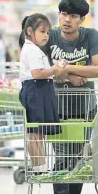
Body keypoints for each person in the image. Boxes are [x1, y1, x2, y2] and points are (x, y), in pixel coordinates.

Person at [41, 0, 98, 194]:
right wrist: (72, 74)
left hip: (84, 107)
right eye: (63, 14)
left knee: (77, 156)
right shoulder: (50, 37)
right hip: (56, 107)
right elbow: (42, 68)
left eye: (73, 16)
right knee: (61, 154)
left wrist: (66, 68)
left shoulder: (91, 36)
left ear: (82, 20)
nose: (67, 19)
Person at [19, 13, 66, 172]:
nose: (46, 35)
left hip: (39, 90)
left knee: (38, 131)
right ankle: (39, 167)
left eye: (47, 32)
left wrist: (53, 73)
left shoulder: (34, 49)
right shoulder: (31, 50)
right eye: (42, 31)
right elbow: (37, 73)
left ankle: (41, 166)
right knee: (36, 131)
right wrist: (54, 69)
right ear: (30, 32)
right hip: (35, 91)